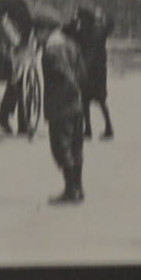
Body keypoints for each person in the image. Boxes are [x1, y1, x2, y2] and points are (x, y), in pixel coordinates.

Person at [37, 15, 88, 203]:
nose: (36, 36)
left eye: (37, 31)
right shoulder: (71, 44)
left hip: (61, 106)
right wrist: (78, 93)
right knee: (76, 147)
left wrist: (70, 92)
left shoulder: (52, 51)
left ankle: (71, 190)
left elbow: (65, 75)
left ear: (45, 30)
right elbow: (82, 72)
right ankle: (78, 187)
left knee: (61, 147)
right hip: (76, 105)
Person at [0, 0, 38, 135]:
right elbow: (28, 25)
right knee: (21, 82)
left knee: (14, 83)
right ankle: (22, 123)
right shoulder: (20, 2)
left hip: (0, 48)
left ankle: (4, 116)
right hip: (17, 48)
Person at [65, 5, 114, 141]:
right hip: (98, 71)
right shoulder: (97, 29)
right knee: (98, 100)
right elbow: (109, 25)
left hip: (90, 70)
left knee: (87, 100)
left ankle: (89, 129)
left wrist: (73, 23)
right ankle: (106, 127)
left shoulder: (85, 31)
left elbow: (69, 33)